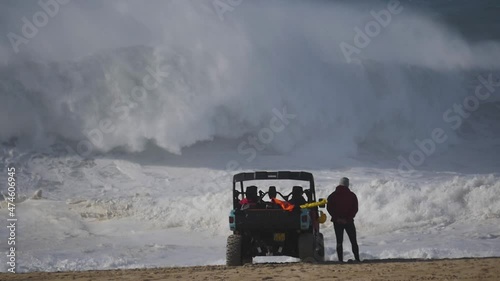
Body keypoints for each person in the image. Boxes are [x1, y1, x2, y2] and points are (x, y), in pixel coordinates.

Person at [327, 177, 360, 262]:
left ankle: (340, 260)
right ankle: (357, 258)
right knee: (353, 241)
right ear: (347, 185)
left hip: (337, 222)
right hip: (348, 221)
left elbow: (329, 208)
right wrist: (348, 218)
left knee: (339, 241)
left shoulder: (332, 196)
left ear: (339, 184)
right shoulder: (352, 195)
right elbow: (355, 208)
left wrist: (336, 218)